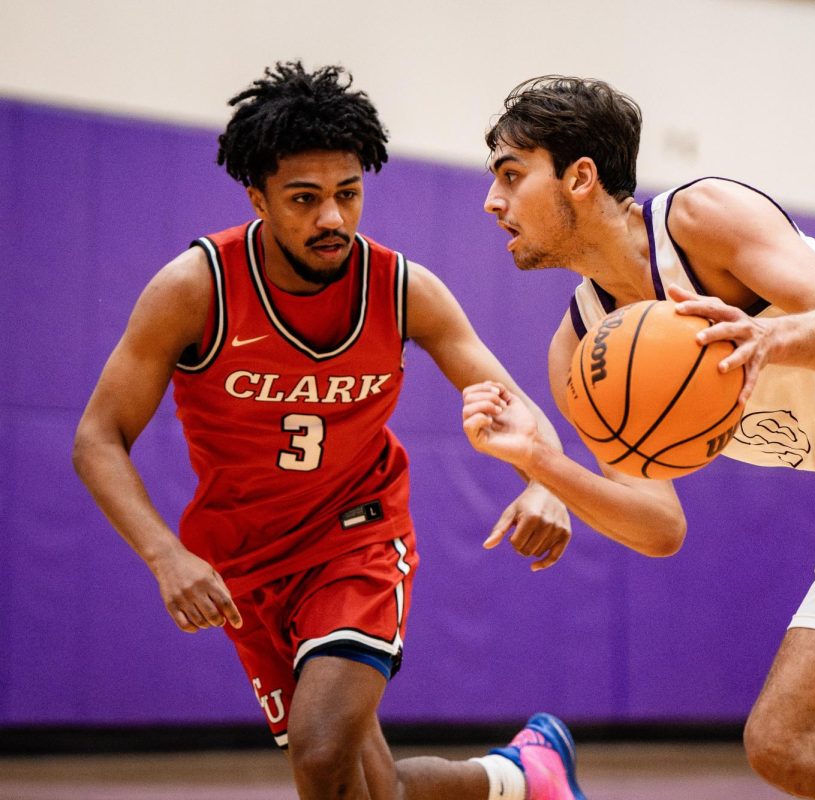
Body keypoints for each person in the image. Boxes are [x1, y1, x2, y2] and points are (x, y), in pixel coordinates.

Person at [463, 76, 815, 800]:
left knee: (782, 739)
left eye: (512, 177)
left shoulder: (700, 218)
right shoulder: (580, 350)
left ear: (580, 177)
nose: (493, 203)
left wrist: (766, 335)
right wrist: (540, 462)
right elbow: (659, 526)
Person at [72, 62, 587, 800]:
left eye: (348, 195)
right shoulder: (195, 288)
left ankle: (519, 774)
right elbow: (98, 438)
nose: (333, 219)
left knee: (318, 751)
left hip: (358, 537)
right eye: (304, 200)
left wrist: (546, 480)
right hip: (244, 563)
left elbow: (503, 395)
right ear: (258, 198)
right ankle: (518, 775)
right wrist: (165, 556)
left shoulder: (401, 287)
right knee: (363, 788)